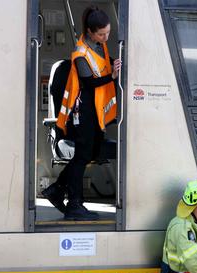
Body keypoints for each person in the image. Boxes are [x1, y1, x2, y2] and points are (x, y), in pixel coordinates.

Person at [42, 5, 120, 220]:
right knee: (82, 156)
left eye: (108, 33)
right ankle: (75, 203)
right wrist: (112, 76)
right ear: (90, 31)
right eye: (102, 34)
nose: (106, 37)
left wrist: (115, 62)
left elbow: (104, 62)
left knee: (92, 152)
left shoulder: (99, 45)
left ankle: (57, 189)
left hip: (95, 112)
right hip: (82, 112)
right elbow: (89, 82)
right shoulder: (80, 53)